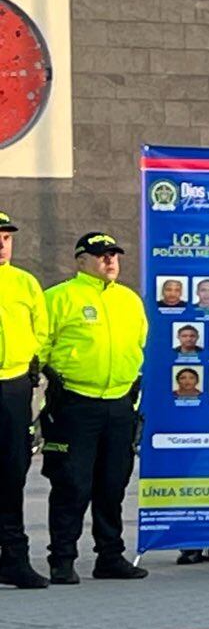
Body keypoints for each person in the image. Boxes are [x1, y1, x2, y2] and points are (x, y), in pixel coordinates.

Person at [41, 233, 149, 584]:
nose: (110, 261)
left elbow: (139, 343)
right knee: (71, 483)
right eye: (101, 255)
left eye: (114, 255)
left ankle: (110, 556)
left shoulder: (129, 300)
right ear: (81, 260)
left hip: (119, 404)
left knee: (113, 483)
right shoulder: (59, 298)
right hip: (75, 403)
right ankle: (62, 559)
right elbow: (41, 344)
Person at [0, 213, 49, 589]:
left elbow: (41, 330)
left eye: (7, 238)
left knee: (13, 473)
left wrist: (33, 361)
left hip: (14, 387)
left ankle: (14, 559)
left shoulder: (25, 283)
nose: (3, 244)